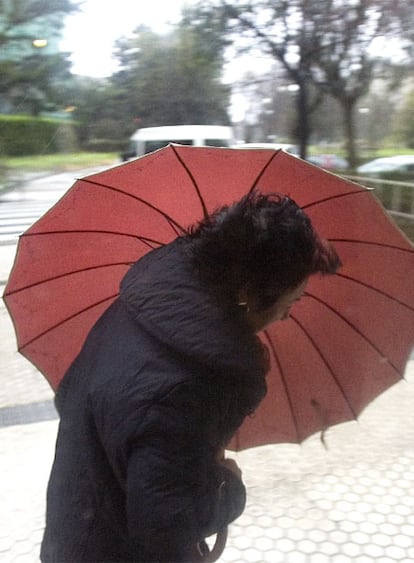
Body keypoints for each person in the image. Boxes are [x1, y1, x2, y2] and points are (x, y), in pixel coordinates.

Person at [40, 191, 340, 563]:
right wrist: (227, 488)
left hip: (72, 532)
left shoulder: (142, 308)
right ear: (249, 293)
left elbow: (70, 395)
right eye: (290, 303)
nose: (286, 317)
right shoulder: (190, 385)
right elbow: (165, 528)